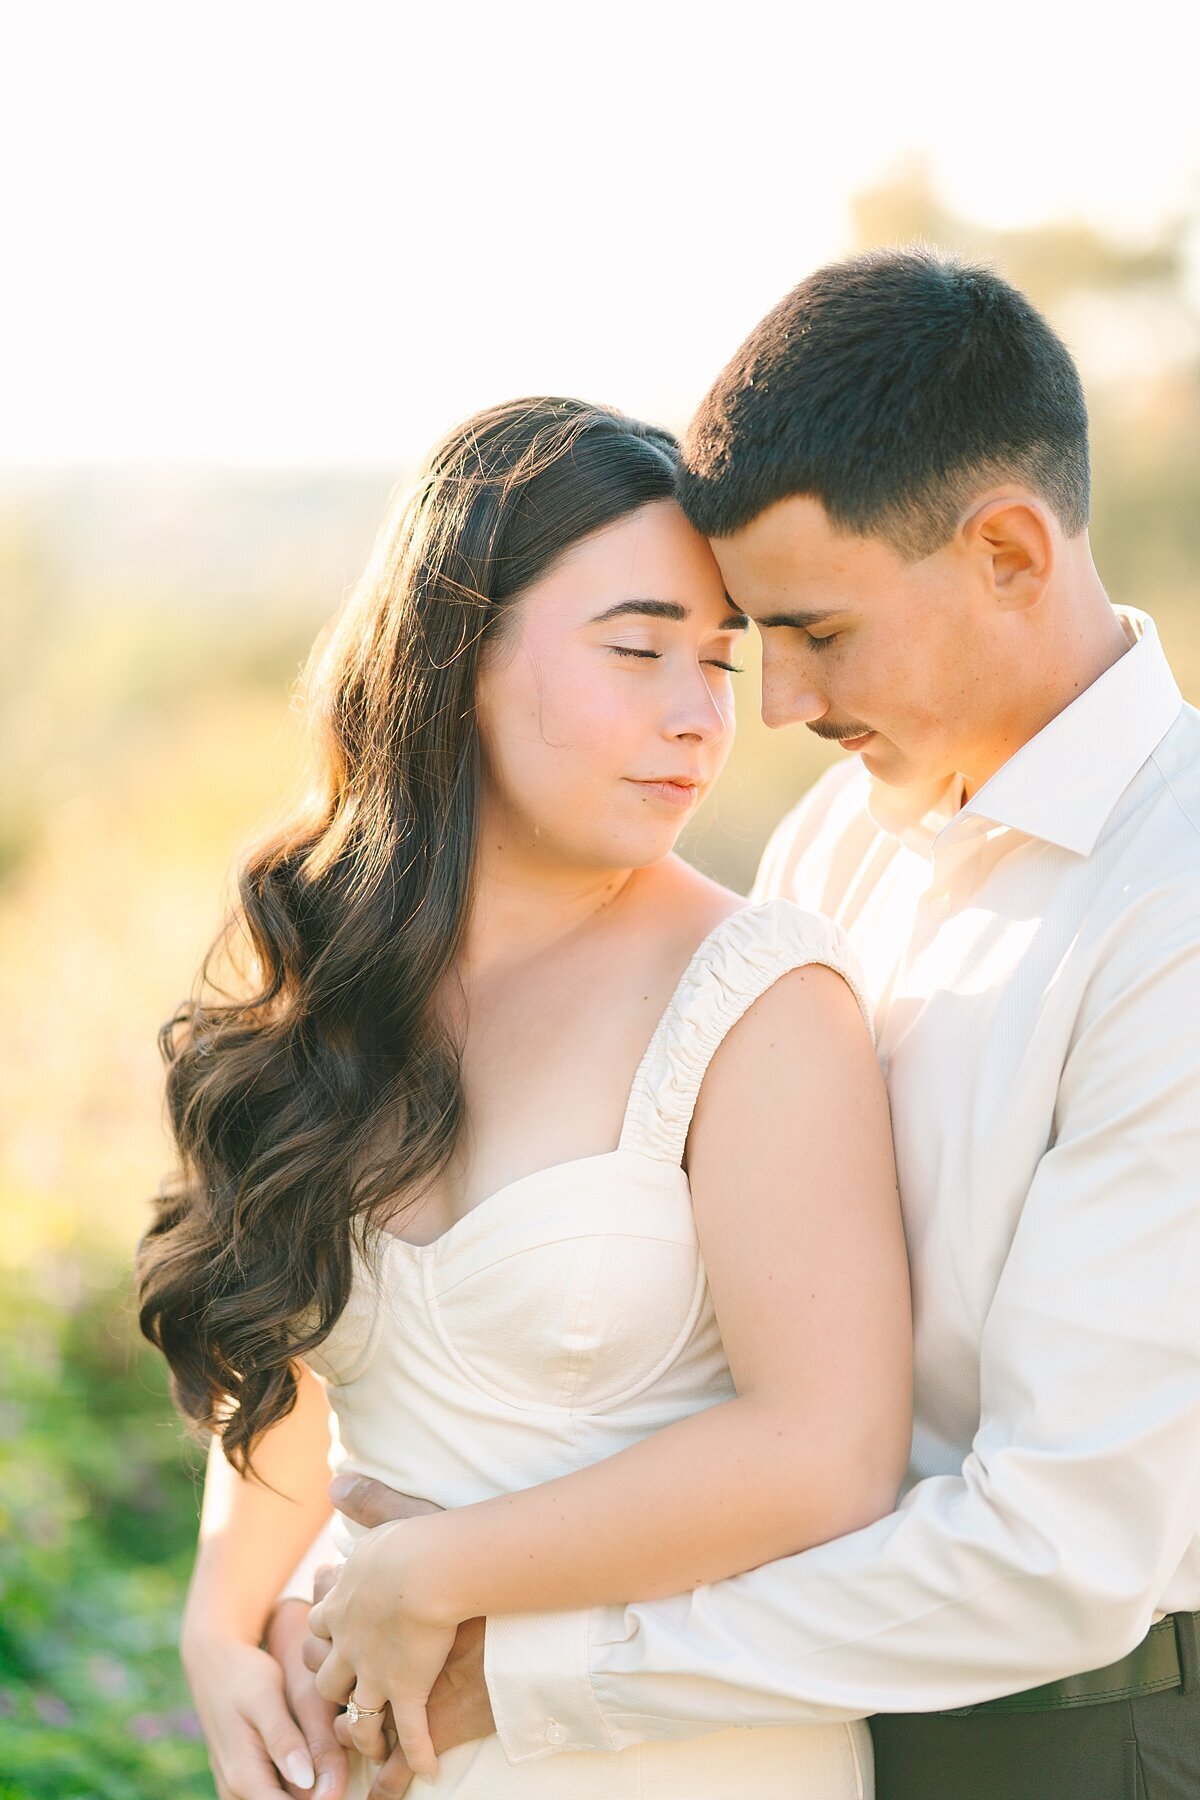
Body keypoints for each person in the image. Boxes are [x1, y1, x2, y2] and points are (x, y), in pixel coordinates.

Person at [309, 251, 1200, 1799]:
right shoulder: (839, 848)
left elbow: (1064, 1550)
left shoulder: (1170, 908)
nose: (770, 706)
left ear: (1006, 550)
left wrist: (520, 1670)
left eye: (815, 633)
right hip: (789, 1698)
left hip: (1075, 1730)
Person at [138, 395, 912, 1800]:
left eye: (719, 666)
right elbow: (302, 1352)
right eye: (637, 652)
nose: (695, 720)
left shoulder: (758, 997)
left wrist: (433, 1570)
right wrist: (219, 1619)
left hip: (680, 1764)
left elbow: (830, 1449)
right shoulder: (336, 969)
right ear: (456, 655)